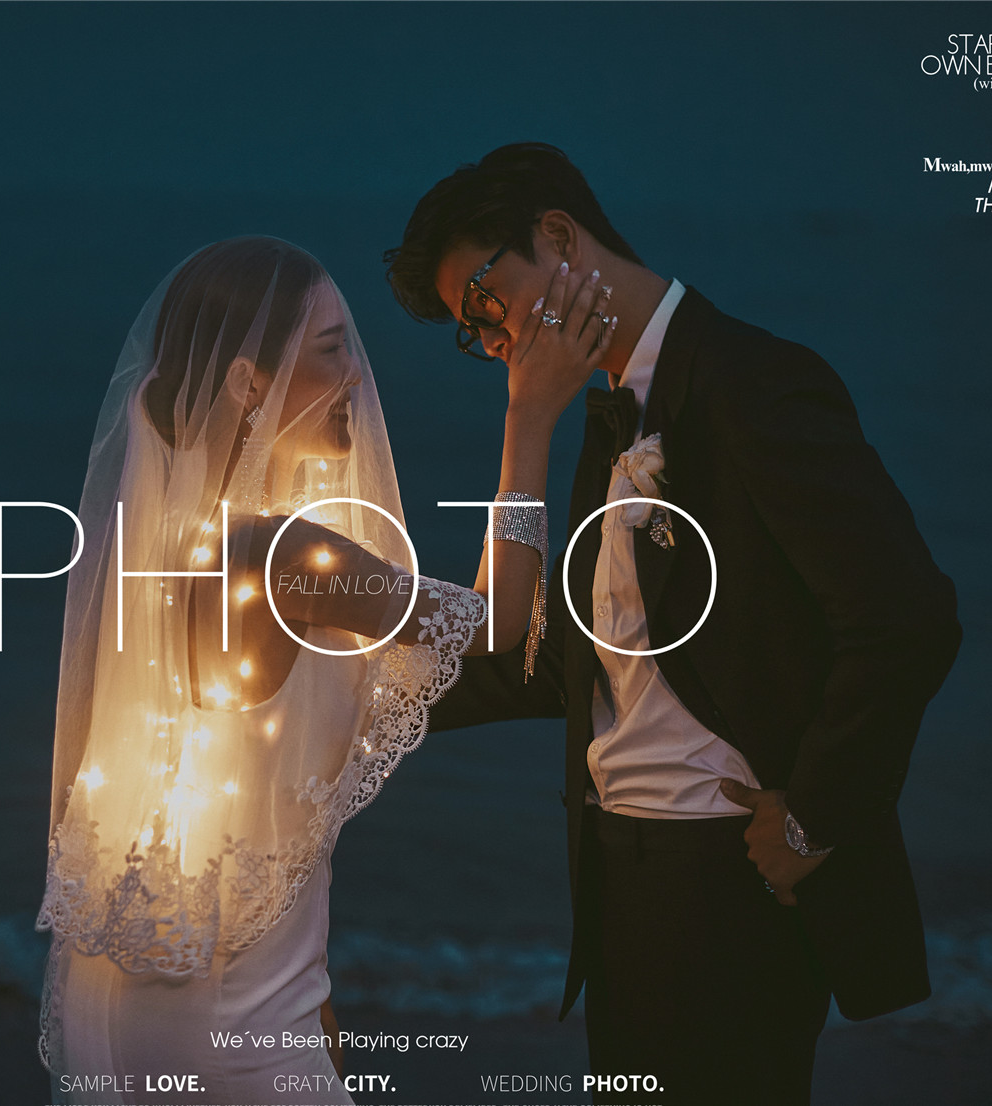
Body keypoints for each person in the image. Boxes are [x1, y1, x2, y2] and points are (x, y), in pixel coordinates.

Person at [385, 142, 962, 1105]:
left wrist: (813, 822)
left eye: (484, 301)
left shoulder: (751, 380)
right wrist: (353, 692)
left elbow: (905, 618)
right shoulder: (615, 411)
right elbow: (579, 660)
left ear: (558, 236)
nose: (488, 340)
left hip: (730, 887)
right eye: (468, 331)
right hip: (621, 884)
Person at [35, 236, 614, 1103]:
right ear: (248, 382)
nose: (357, 378)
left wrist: (315, 1007)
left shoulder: (174, 541)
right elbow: (498, 622)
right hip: (224, 1015)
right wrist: (528, 418)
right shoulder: (286, 556)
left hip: (119, 989)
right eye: (332, 349)